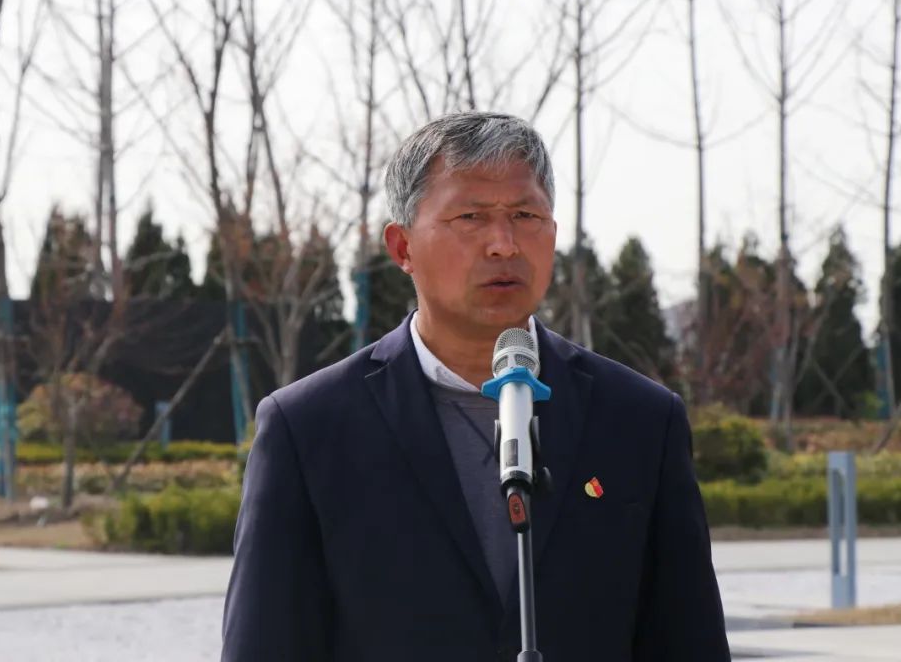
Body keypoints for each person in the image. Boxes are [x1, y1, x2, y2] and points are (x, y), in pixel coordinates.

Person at [221, 111, 730, 661]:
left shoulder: (639, 420)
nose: (504, 244)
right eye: (471, 217)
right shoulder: (308, 429)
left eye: (525, 215)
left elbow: (688, 642)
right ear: (402, 247)